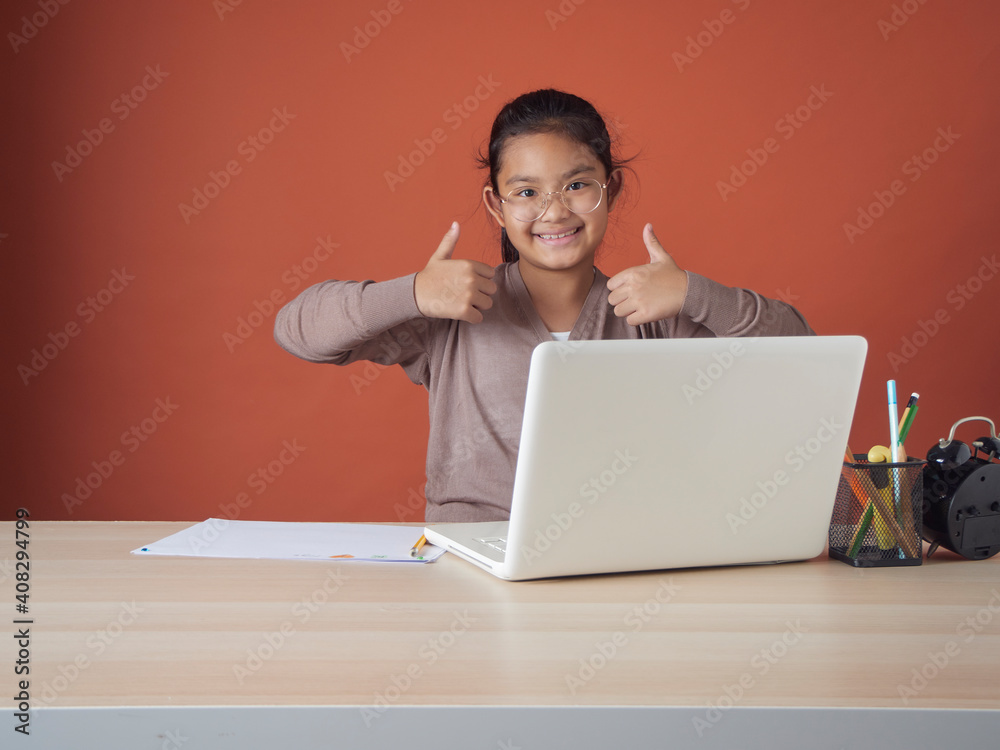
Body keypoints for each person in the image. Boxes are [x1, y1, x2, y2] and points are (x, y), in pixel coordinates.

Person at [274, 89, 814, 522]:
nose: (554, 212)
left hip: (616, 559)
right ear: (497, 205)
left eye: (577, 185)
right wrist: (413, 292)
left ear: (612, 188)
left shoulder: (654, 313)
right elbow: (297, 331)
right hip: (473, 568)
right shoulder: (452, 310)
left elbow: (802, 353)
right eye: (527, 192)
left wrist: (694, 294)